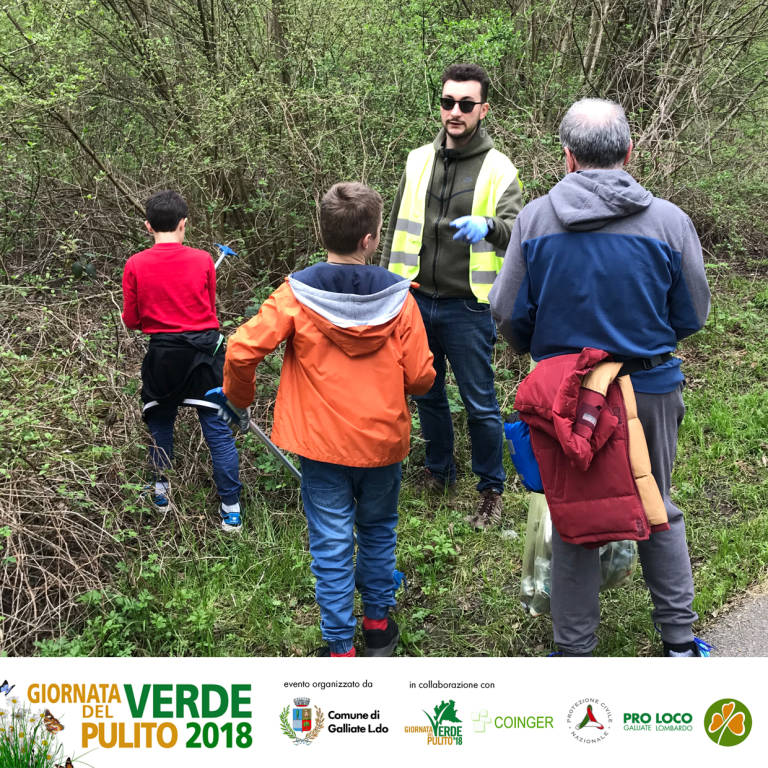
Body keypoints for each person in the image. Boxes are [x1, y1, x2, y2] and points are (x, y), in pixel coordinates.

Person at [489, 98, 711, 656]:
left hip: (568, 396)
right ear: (629, 152)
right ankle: (680, 644)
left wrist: (544, 356)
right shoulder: (669, 222)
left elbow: (508, 312)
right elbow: (693, 313)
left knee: (574, 515)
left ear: (567, 158)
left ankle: (574, 653)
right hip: (649, 387)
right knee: (655, 503)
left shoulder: (536, 220)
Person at [215, 182, 435, 657]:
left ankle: (340, 650)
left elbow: (240, 349)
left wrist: (240, 398)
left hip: (321, 446)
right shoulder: (401, 301)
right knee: (377, 530)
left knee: (331, 543)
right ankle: (377, 625)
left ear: (322, 233)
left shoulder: (295, 295)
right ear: (371, 239)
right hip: (382, 444)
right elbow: (420, 379)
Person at [380, 62, 523, 529]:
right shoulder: (417, 159)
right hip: (416, 299)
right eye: (447, 102)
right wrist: (385, 288)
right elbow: (394, 230)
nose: (454, 112)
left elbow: (517, 232)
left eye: (465, 104)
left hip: (468, 304)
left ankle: (490, 490)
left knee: (480, 401)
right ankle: (439, 472)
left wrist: (491, 226)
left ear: (483, 109)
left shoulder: (499, 168)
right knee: (428, 393)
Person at [121, 190, 242, 531]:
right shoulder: (203, 259)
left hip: (163, 356)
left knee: (160, 425)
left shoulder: (135, 264)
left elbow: (131, 321)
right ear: (184, 223)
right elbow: (210, 309)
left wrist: (153, 320)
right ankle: (231, 510)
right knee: (217, 431)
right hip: (205, 354)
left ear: (148, 227)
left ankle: (161, 493)